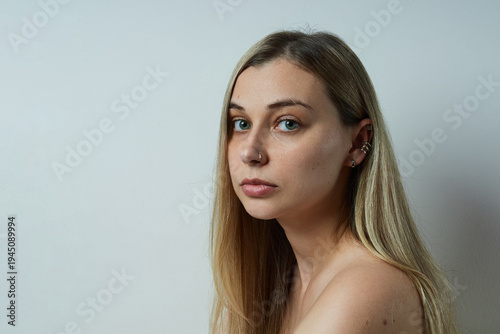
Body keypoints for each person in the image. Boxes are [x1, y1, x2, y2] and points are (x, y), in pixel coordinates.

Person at [209, 30, 457, 334]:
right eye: (241, 123)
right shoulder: (276, 285)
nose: (250, 151)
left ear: (357, 143)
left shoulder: (365, 289)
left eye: (288, 123)